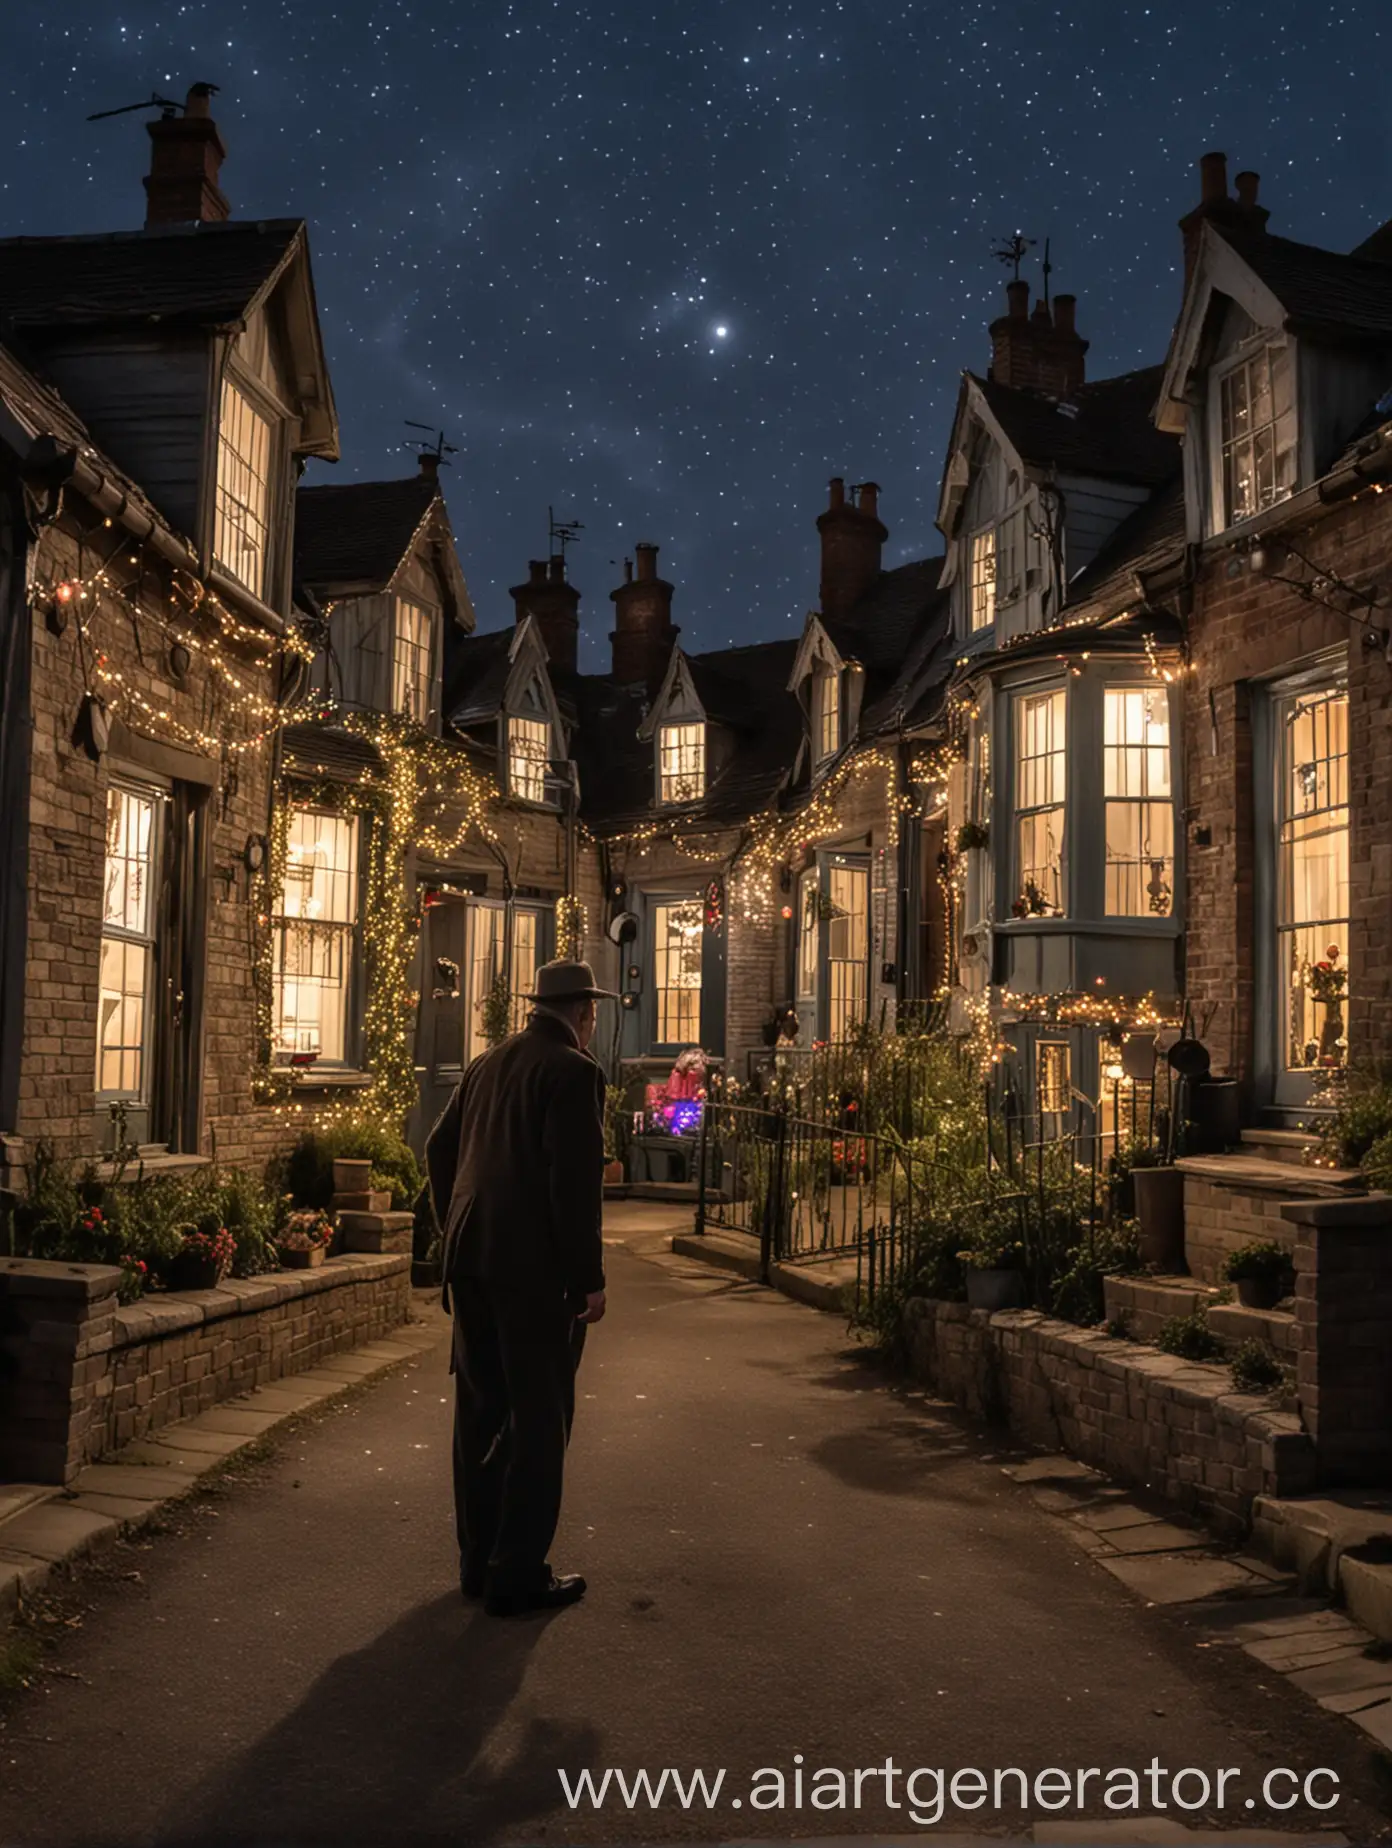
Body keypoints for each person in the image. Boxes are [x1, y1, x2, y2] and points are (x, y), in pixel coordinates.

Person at [425, 958, 614, 1618]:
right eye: (593, 1015)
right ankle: (518, 1573)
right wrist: (587, 1280)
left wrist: (452, 1222)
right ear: (584, 1015)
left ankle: (478, 1561)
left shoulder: (487, 1063)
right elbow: (573, 1186)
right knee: (538, 1421)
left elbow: (437, 1147)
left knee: (478, 1413)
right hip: (533, 1275)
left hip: (471, 1258)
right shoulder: (574, 1072)